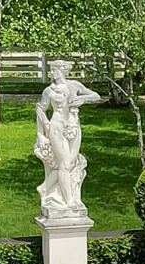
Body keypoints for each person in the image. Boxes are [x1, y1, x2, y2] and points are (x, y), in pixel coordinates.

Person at [34, 61, 103, 220]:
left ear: (63, 71)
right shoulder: (49, 91)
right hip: (57, 127)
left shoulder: (74, 86)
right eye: (51, 70)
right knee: (65, 163)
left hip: (73, 127)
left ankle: (44, 188)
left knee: (70, 165)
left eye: (55, 70)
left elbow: (96, 96)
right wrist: (40, 134)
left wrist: (83, 100)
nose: (52, 73)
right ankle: (69, 201)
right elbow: (40, 109)